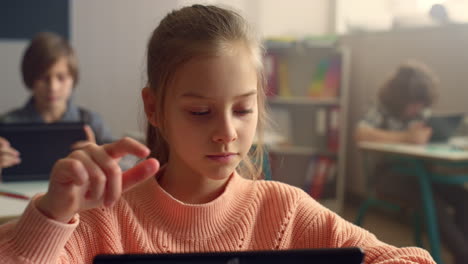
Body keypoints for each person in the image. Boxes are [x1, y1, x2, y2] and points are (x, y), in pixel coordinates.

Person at [0, 5, 435, 264]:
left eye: (243, 109)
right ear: (155, 109)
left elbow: (410, 258)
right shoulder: (104, 220)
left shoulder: (283, 211)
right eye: (200, 112)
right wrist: (53, 215)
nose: (226, 132)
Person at [355, 61, 468, 264]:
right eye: (414, 104)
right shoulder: (381, 107)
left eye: (422, 105)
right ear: (400, 98)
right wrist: (405, 137)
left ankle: (461, 256)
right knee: (432, 202)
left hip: (419, 173)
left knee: (462, 196)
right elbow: (361, 134)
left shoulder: (421, 111)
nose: (418, 109)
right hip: (386, 176)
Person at [0, 32, 113, 170]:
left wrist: (101, 159)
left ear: (73, 79)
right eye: (43, 78)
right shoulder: (6, 124)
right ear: (30, 78)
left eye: (61, 77)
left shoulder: (92, 122)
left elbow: (124, 166)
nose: (53, 87)